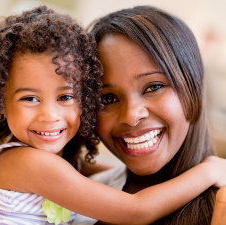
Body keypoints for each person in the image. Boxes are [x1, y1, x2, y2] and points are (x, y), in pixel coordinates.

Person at [0, 5, 226, 225]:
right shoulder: (28, 163)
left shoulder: (54, 166)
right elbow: (137, 209)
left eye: (65, 97)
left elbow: (94, 175)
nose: (50, 115)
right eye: (29, 98)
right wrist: (209, 170)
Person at [79, 5, 225, 225]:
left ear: (194, 84)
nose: (131, 115)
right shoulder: (83, 200)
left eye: (153, 86)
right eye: (107, 99)